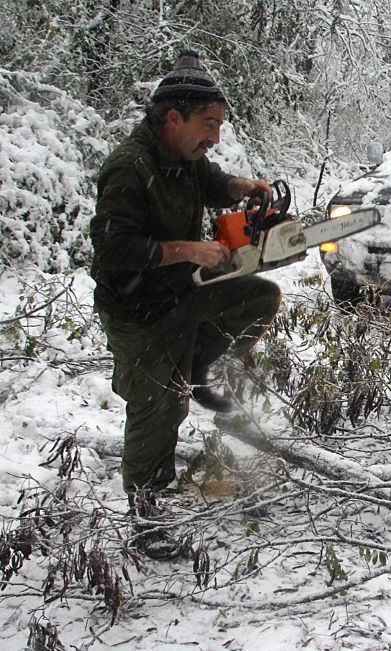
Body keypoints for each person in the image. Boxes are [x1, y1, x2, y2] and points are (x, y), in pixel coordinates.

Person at [90, 50, 281, 558]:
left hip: (181, 292)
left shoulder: (184, 157)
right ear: (173, 118)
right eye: (209, 124)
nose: (215, 136)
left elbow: (215, 184)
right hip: (137, 308)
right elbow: (114, 248)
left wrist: (247, 187)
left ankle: (198, 363)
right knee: (158, 407)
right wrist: (187, 250)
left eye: (219, 125)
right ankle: (146, 516)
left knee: (257, 296)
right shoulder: (130, 168)